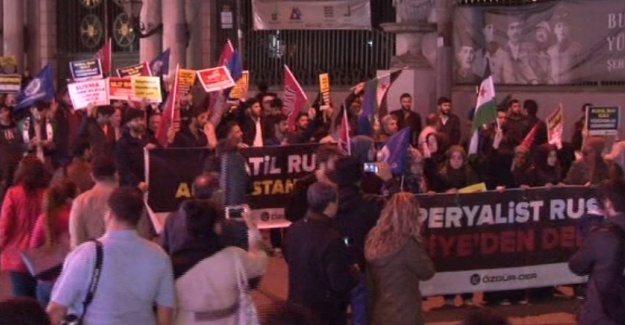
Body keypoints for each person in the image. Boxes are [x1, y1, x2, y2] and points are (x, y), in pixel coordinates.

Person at [47, 187, 175, 325]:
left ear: (109, 213)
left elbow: (57, 309)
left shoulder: (86, 253)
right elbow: (165, 314)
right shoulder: (159, 256)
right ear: (139, 217)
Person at [173, 202, 268, 325]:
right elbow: (260, 261)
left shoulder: (173, 262)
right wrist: (252, 227)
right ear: (217, 226)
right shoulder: (234, 257)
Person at [284, 182, 357, 325]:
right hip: (325, 313)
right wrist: (354, 274)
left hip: (297, 306)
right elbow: (339, 283)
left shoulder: (293, 229)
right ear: (331, 205)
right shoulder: (331, 238)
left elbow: (290, 259)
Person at [365, 192, 435, 325]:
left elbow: (370, 285)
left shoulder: (373, 238)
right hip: (405, 313)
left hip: (379, 312)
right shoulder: (407, 243)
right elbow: (427, 271)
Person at [569, 179, 625, 324]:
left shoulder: (602, 235)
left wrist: (590, 232)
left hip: (604, 314)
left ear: (608, 203)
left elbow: (577, 266)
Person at [0, 156, 48, 298]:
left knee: (23, 303)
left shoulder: (13, 194)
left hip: (17, 257)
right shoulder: (47, 194)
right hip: (42, 256)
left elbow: (4, 227)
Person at [29, 179, 77, 306]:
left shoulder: (43, 219)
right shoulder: (73, 217)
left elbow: (33, 246)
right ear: (69, 199)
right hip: (67, 279)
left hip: (46, 279)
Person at [68, 158, 117, 249]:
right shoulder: (129, 199)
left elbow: (76, 241)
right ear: (116, 174)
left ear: (92, 176)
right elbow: (143, 235)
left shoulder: (80, 202)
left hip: (93, 259)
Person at [115, 108, 158, 190]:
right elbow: (123, 168)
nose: (140, 123)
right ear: (128, 124)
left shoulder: (149, 139)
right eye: (136, 120)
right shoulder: (123, 144)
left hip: (150, 186)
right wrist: (137, 183)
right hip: (131, 189)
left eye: (141, 119)